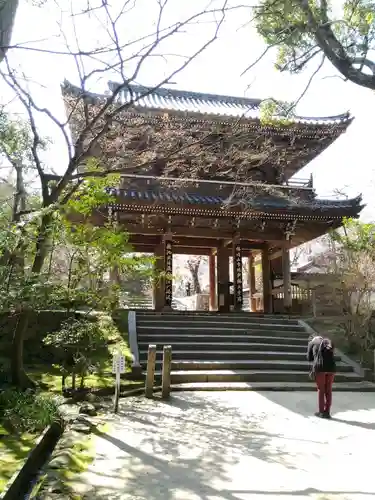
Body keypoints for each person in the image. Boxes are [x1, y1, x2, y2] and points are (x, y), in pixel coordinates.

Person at [307, 334, 336, 419]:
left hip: (320, 368)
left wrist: (312, 349)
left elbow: (309, 358)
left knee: (321, 389)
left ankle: (321, 412)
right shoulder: (327, 342)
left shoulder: (312, 343)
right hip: (331, 368)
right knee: (328, 390)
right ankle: (327, 412)